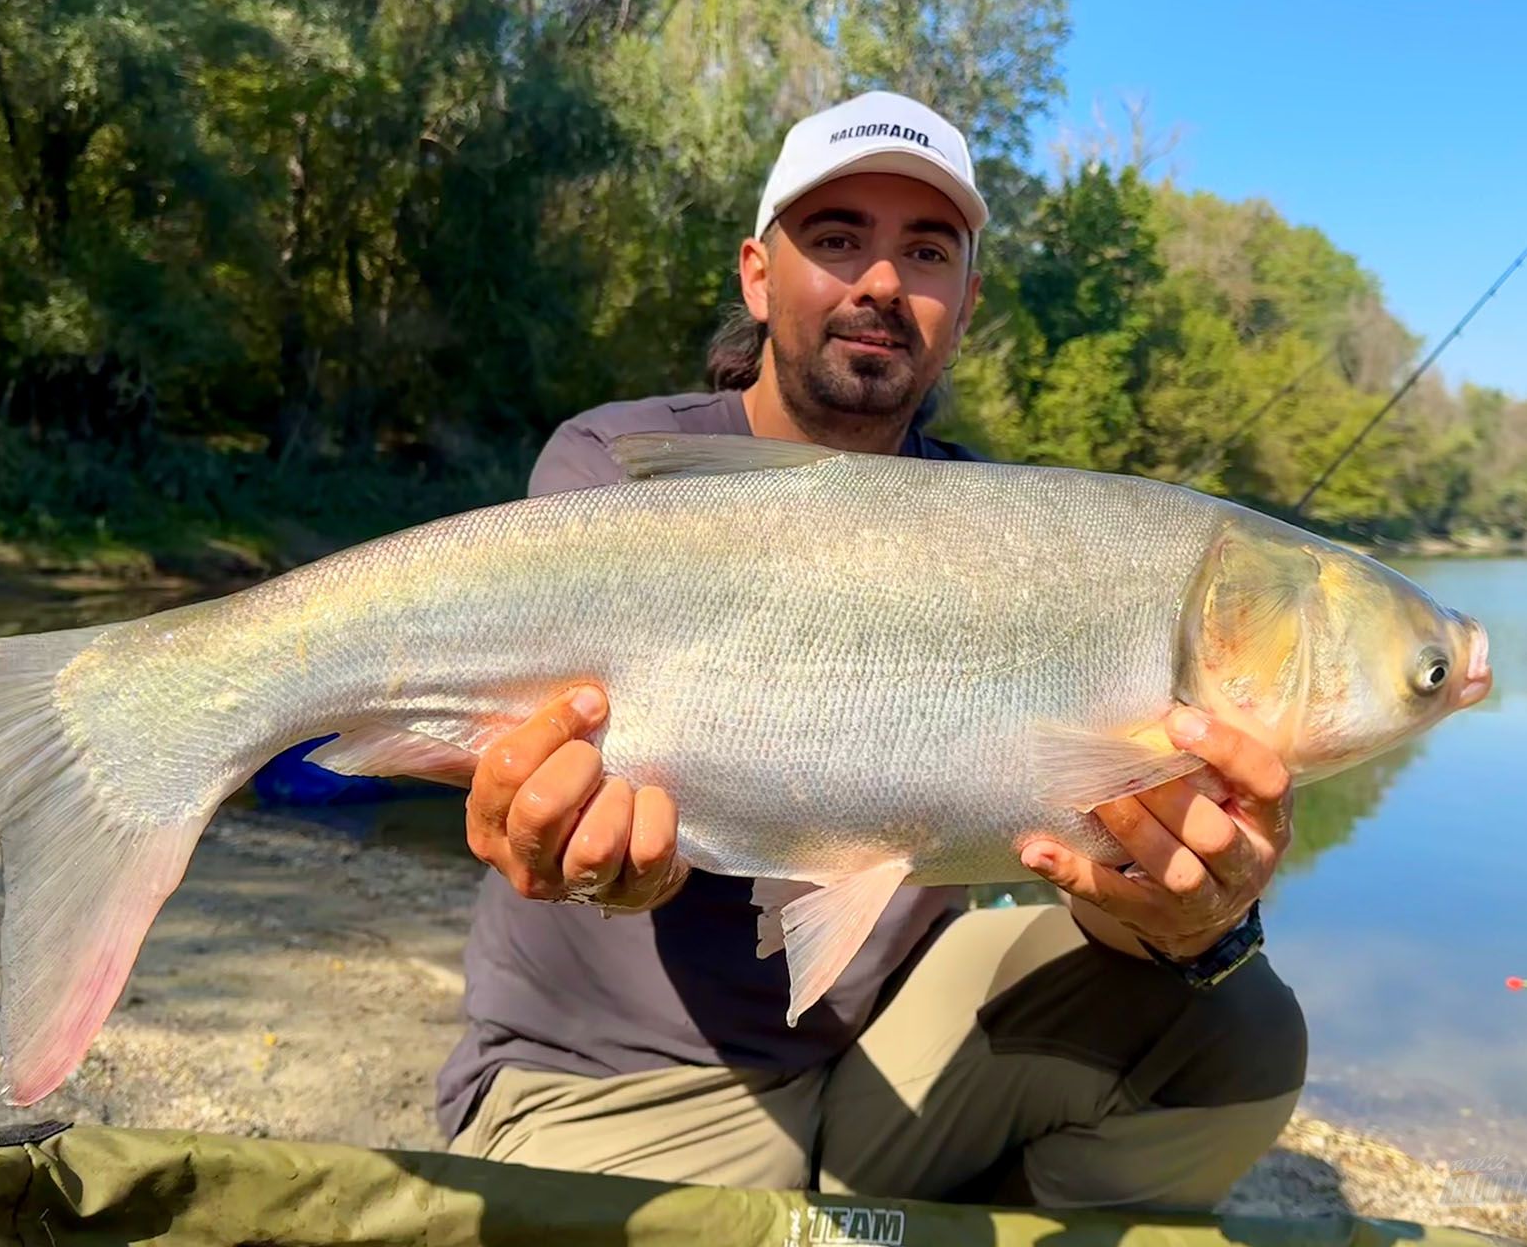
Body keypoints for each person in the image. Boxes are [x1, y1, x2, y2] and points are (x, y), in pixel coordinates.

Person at [433, 91, 1306, 1209]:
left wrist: (1180, 916)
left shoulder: (1010, 527)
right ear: (758, 275)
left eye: (926, 250)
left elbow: (1059, 836)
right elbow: (540, 800)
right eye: (838, 238)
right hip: (616, 1076)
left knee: (1235, 1022)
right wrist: (566, 842)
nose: (883, 282)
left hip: (893, 1044)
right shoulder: (617, 468)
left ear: (967, 301)